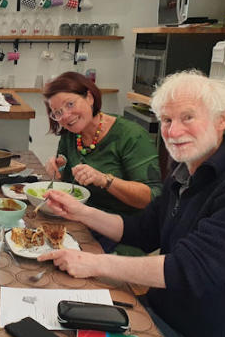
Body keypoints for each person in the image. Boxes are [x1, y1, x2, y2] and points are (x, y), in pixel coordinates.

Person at [38, 71, 225, 337]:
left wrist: (94, 263)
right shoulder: (185, 172)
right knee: (56, 330)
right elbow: (143, 231)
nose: (173, 131)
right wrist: (79, 212)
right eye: (167, 120)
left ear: (222, 120)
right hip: (158, 316)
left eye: (188, 118)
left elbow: (187, 269)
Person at [43, 72, 162, 253]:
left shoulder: (131, 135)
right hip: (83, 223)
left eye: (70, 104)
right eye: (58, 113)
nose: (66, 116)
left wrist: (105, 180)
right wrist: (56, 171)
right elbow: (69, 185)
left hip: (125, 234)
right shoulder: (70, 135)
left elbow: (152, 197)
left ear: (89, 97)